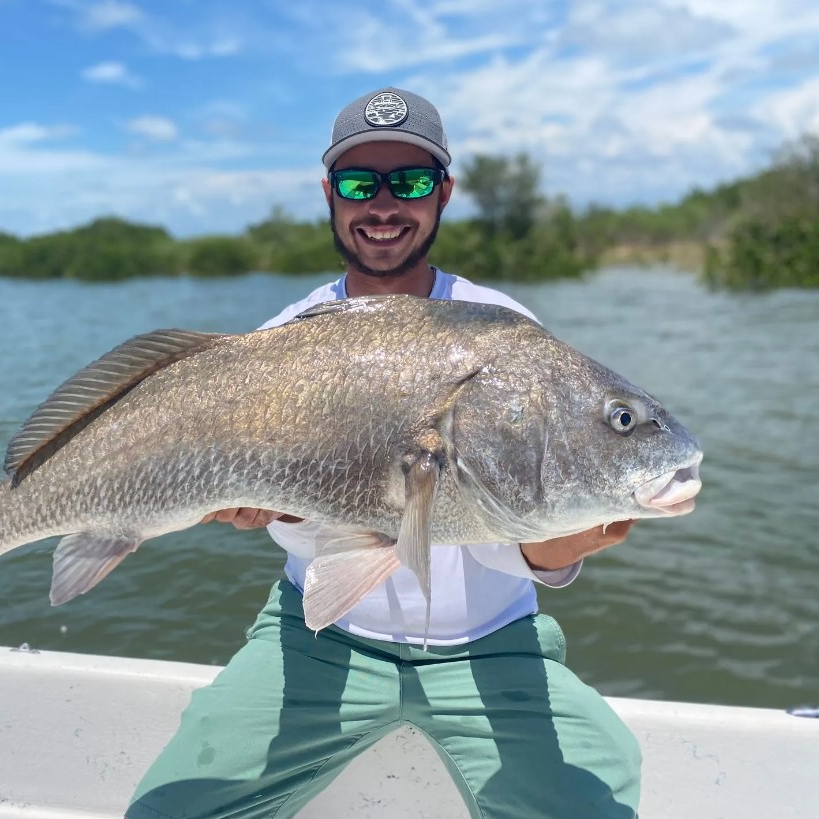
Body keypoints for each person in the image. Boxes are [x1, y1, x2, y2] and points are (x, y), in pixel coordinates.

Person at [126, 87, 641, 819]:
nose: (384, 205)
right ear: (331, 194)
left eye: (412, 181)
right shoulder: (287, 334)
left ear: (445, 192)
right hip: (319, 633)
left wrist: (563, 546)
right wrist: (259, 504)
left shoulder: (504, 332)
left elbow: (515, 534)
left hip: (490, 640)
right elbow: (305, 533)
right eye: (361, 183)